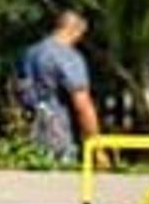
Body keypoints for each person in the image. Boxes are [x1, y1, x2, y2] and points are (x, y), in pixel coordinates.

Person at [16, 10, 101, 162]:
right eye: (81, 33)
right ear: (73, 29)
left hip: (29, 135)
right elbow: (82, 103)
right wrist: (97, 147)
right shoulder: (68, 57)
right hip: (60, 137)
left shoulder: (30, 53)